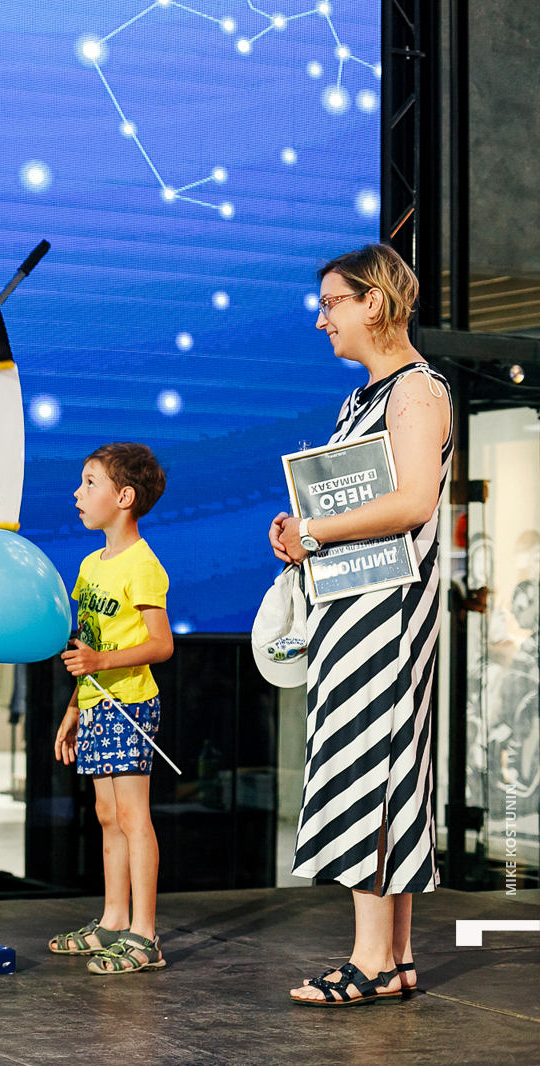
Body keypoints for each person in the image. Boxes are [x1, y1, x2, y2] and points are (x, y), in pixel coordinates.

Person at [271, 243, 449, 1007]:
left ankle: (371, 960)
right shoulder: (364, 399)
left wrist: (314, 530)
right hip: (356, 606)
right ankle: (395, 957)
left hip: (386, 614)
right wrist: (303, 531)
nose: (322, 321)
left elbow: (413, 501)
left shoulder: (417, 391)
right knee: (381, 768)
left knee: (373, 767)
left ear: (373, 302)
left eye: (331, 304)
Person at [48, 442, 174, 974]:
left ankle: (145, 935)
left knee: (131, 815)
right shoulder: (88, 565)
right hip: (96, 705)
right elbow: (88, 646)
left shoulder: (143, 565)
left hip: (130, 706)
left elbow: (161, 644)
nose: (78, 493)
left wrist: (100, 662)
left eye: (90, 483)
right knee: (106, 814)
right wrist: (74, 708)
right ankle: (113, 921)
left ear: (124, 497)